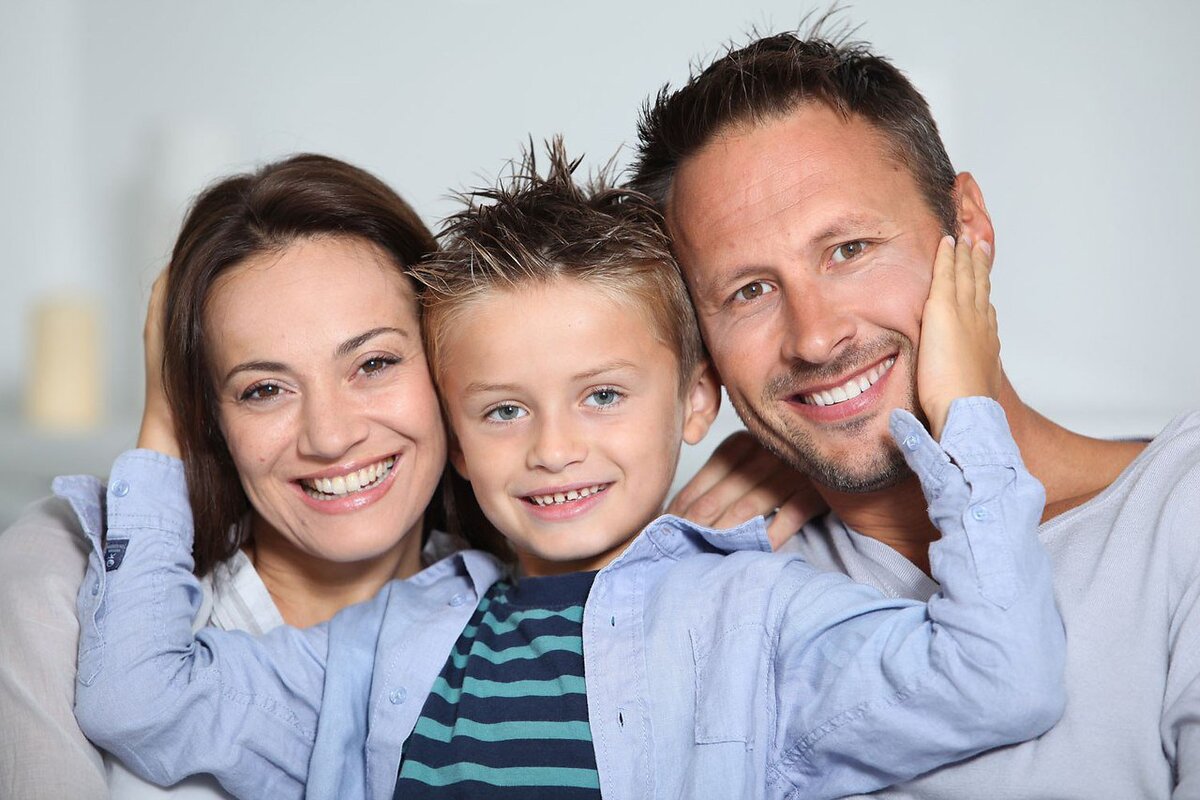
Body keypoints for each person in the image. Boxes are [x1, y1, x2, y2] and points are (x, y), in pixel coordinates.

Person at [71, 142, 1064, 800]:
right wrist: (164, 417)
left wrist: (962, 408)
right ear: (455, 434)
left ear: (696, 401)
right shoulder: (381, 642)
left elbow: (1001, 680)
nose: (553, 447)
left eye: (602, 396)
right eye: (504, 410)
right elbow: (138, 701)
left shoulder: (755, 619)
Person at [631, 29, 1200, 799]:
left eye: (850, 249)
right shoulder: (728, 596)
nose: (815, 337)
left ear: (968, 225)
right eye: (749, 291)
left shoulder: (1179, 513)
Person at [0, 153, 482, 800]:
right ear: (209, 417)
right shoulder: (56, 576)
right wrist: (164, 415)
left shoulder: (531, 619)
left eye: (373, 363)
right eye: (264, 389)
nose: (329, 436)